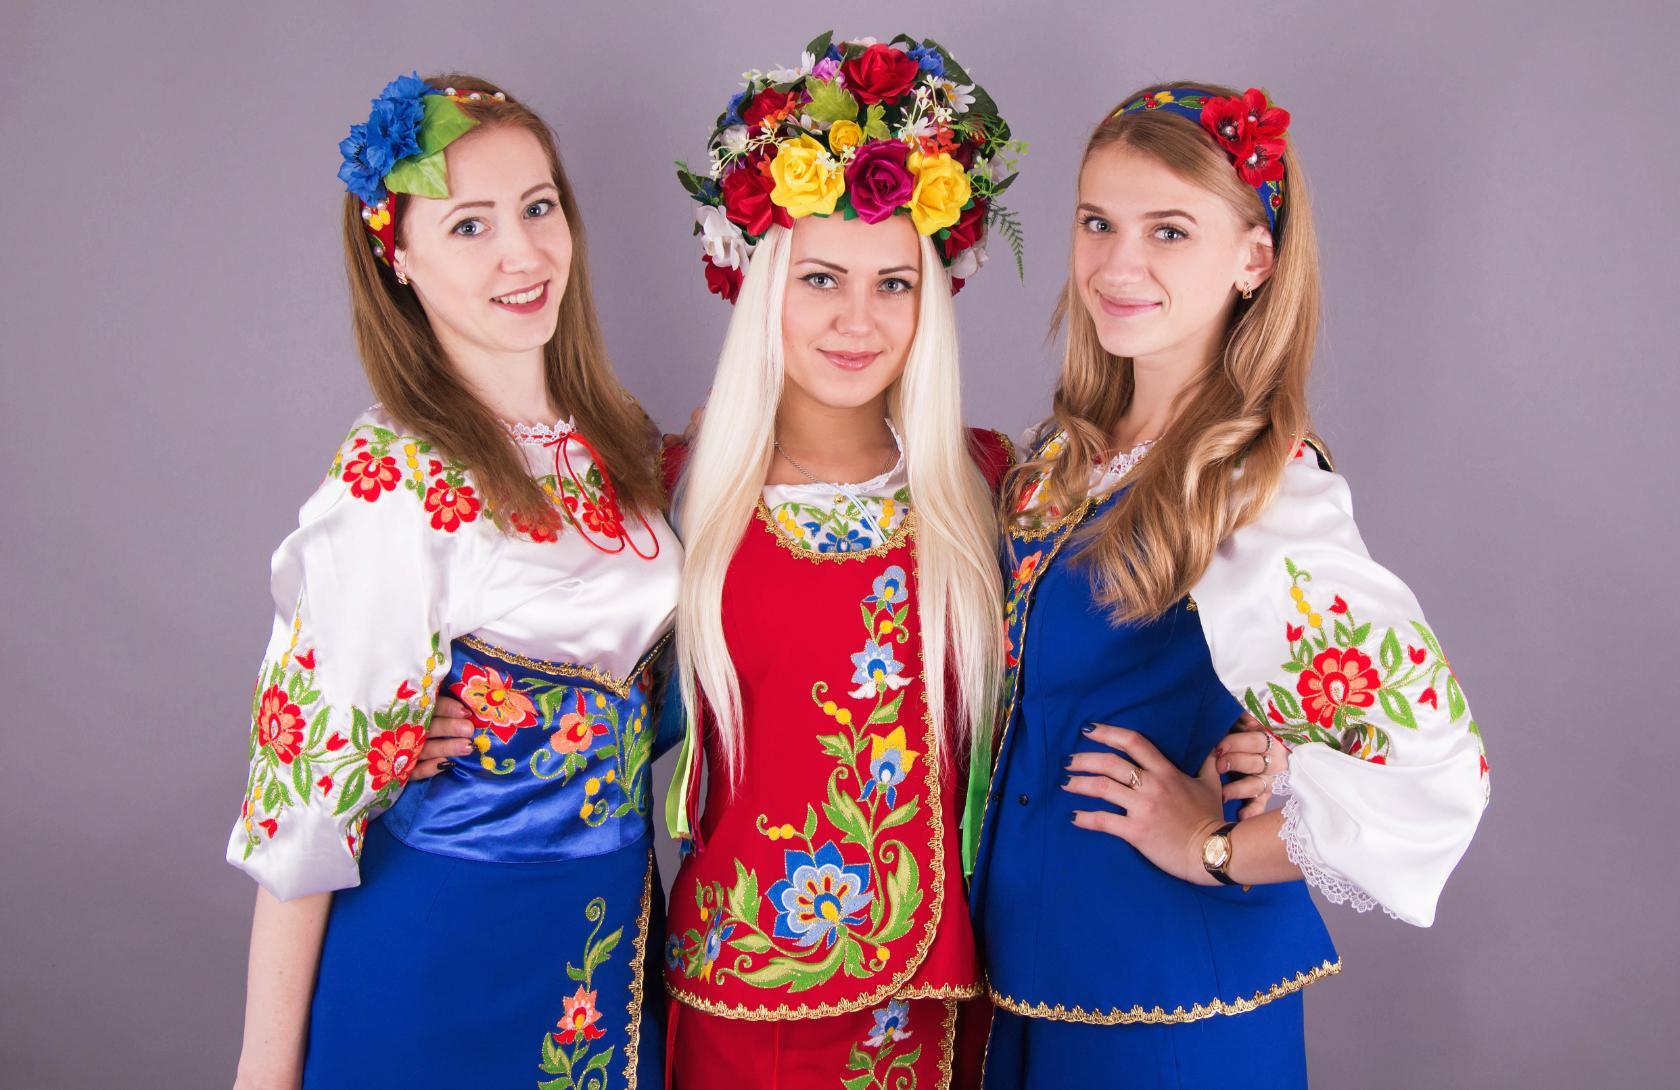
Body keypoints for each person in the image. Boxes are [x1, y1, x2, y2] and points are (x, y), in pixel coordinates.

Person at [967, 83, 1491, 1088]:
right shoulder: (1062, 456)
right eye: (1097, 222)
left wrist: (1215, 846)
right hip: (1031, 974)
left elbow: (1428, 765)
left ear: (1255, 258)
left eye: (1169, 231)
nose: (1118, 264)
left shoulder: (1259, 491)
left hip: (1172, 1005)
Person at [228, 73, 680, 1089]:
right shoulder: (391, 479)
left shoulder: (623, 443)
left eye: (538, 207)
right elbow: (305, 804)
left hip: (608, 938)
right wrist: (263, 1069)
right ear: (398, 257)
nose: (523, 253)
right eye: (470, 225)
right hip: (443, 942)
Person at [659, 34, 1021, 1090]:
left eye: (893, 284)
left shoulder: (990, 482)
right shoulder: (677, 490)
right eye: (821, 279)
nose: (858, 322)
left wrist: (1250, 747)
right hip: (742, 991)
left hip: (945, 995)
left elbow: (1094, 661)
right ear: (761, 281)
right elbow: (593, 701)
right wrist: (486, 733)